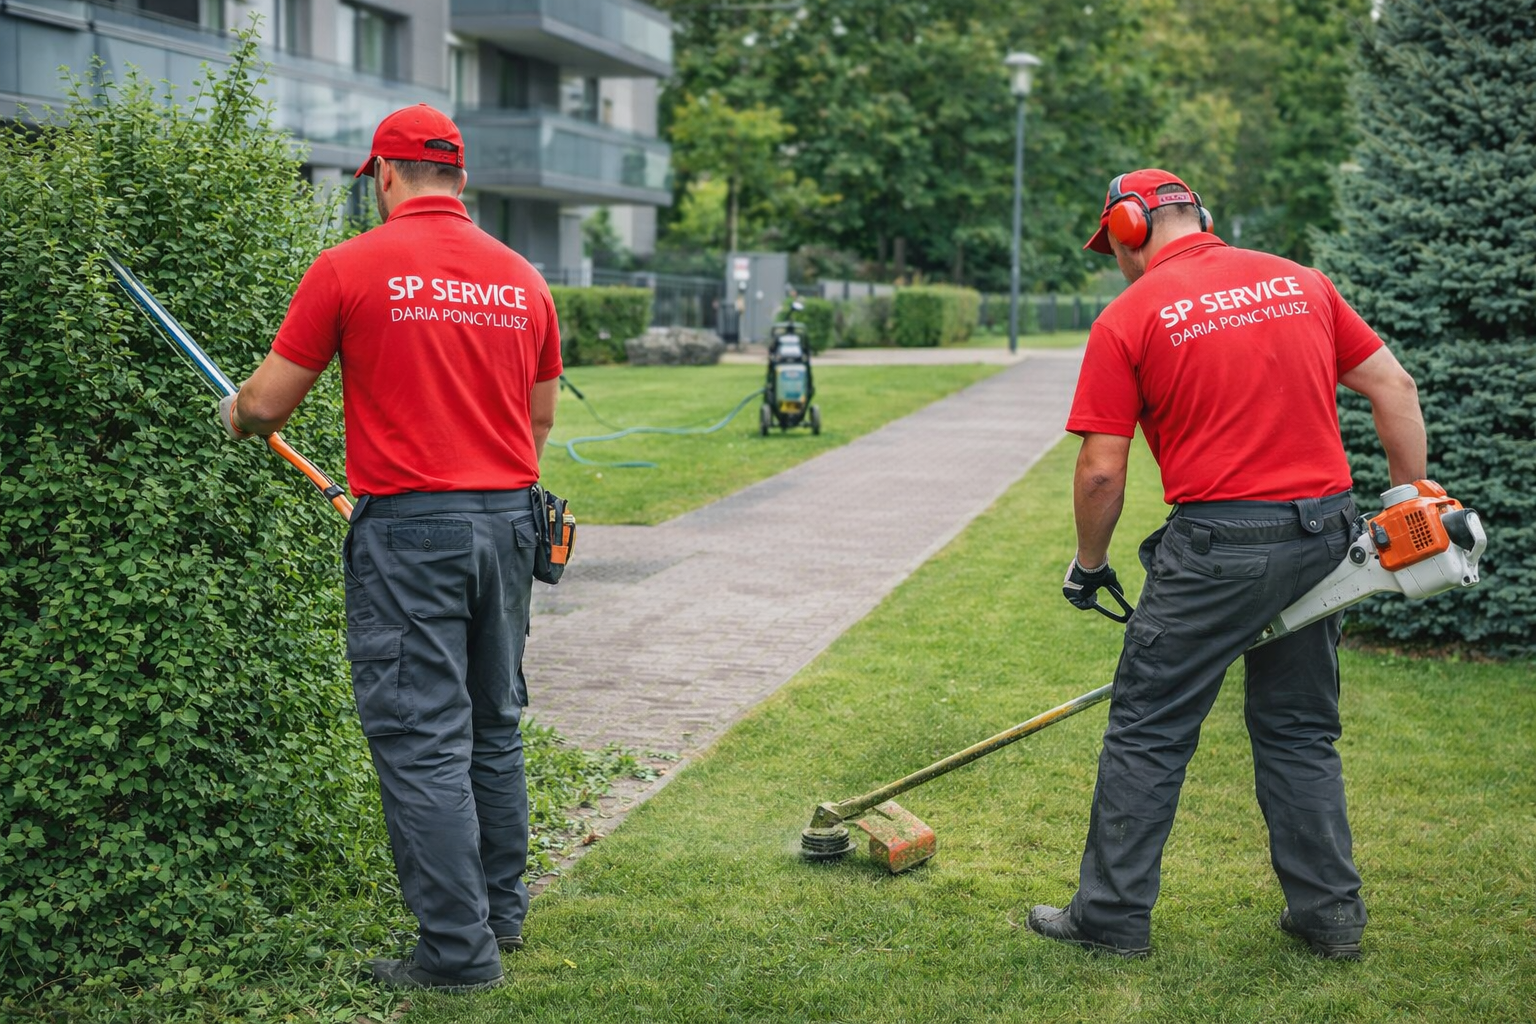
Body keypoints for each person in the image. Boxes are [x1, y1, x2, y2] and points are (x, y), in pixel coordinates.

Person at [1028, 169, 1426, 961]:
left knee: (1148, 730)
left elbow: (1103, 470)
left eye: (1112, 244)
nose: (1115, 259)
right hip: (1324, 533)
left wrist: (1089, 563)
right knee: (1300, 727)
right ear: (1199, 215)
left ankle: (1108, 918)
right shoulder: (1300, 281)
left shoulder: (1128, 316)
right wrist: (1412, 496)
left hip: (1220, 549)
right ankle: (1329, 916)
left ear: (1132, 227)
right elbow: (1394, 386)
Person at [218, 104, 562, 992]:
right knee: (492, 725)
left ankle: (456, 952)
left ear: (383, 175)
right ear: (461, 177)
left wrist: (233, 415)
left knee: (421, 738)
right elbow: (539, 421)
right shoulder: (523, 278)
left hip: (414, 532)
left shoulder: (348, 268)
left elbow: (263, 407)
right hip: (509, 521)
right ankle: (500, 914)